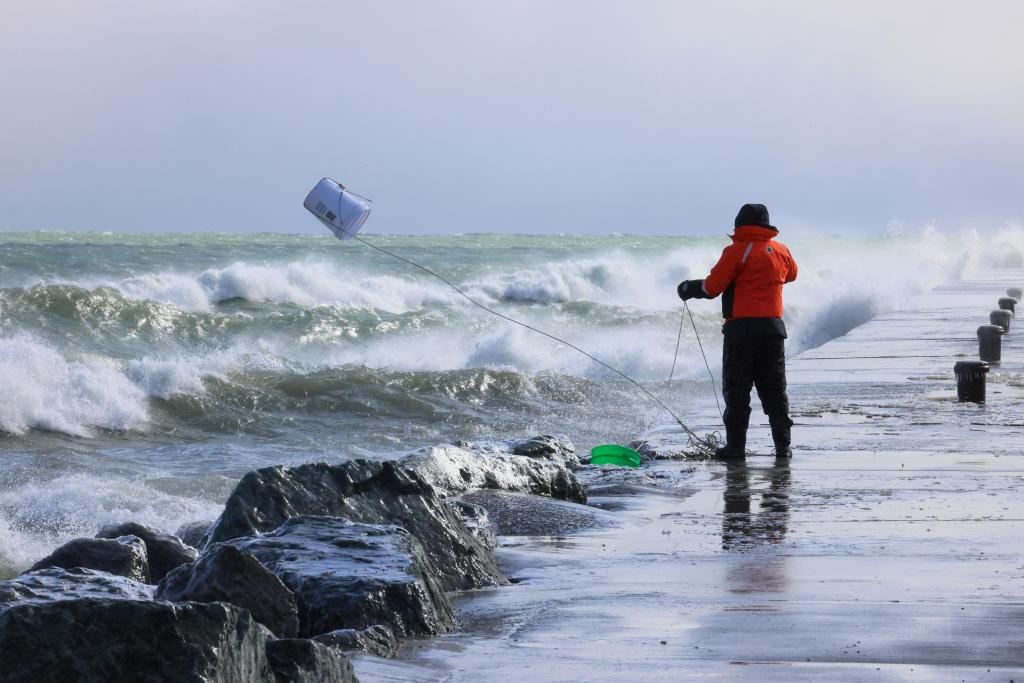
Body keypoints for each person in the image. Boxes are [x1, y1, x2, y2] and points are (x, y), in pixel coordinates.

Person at [676, 203, 798, 459]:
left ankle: (735, 448)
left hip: (741, 332)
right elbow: (791, 275)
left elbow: (712, 288)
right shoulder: (781, 250)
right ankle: (783, 447)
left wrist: (688, 288)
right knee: (775, 390)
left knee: (738, 390)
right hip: (774, 330)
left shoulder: (737, 251)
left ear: (740, 225)